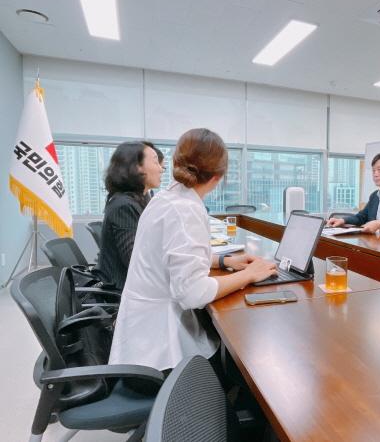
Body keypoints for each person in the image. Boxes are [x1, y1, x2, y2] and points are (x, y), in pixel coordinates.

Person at [109, 128, 276, 372]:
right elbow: (192, 293)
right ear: (218, 177)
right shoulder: (185, 209)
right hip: (159, 357)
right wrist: (248, 275)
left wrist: (224, 262)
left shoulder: (165, 199)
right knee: (241, 358)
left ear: (176, 161)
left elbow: (171, 256)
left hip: (140, 339)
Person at [95, 141, 163, 290]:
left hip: (135, 286)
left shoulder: (137, 199)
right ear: (137, 167)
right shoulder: (124, 205)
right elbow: (136, 261)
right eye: (156, 162)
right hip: (123, 293)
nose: (161, 168)